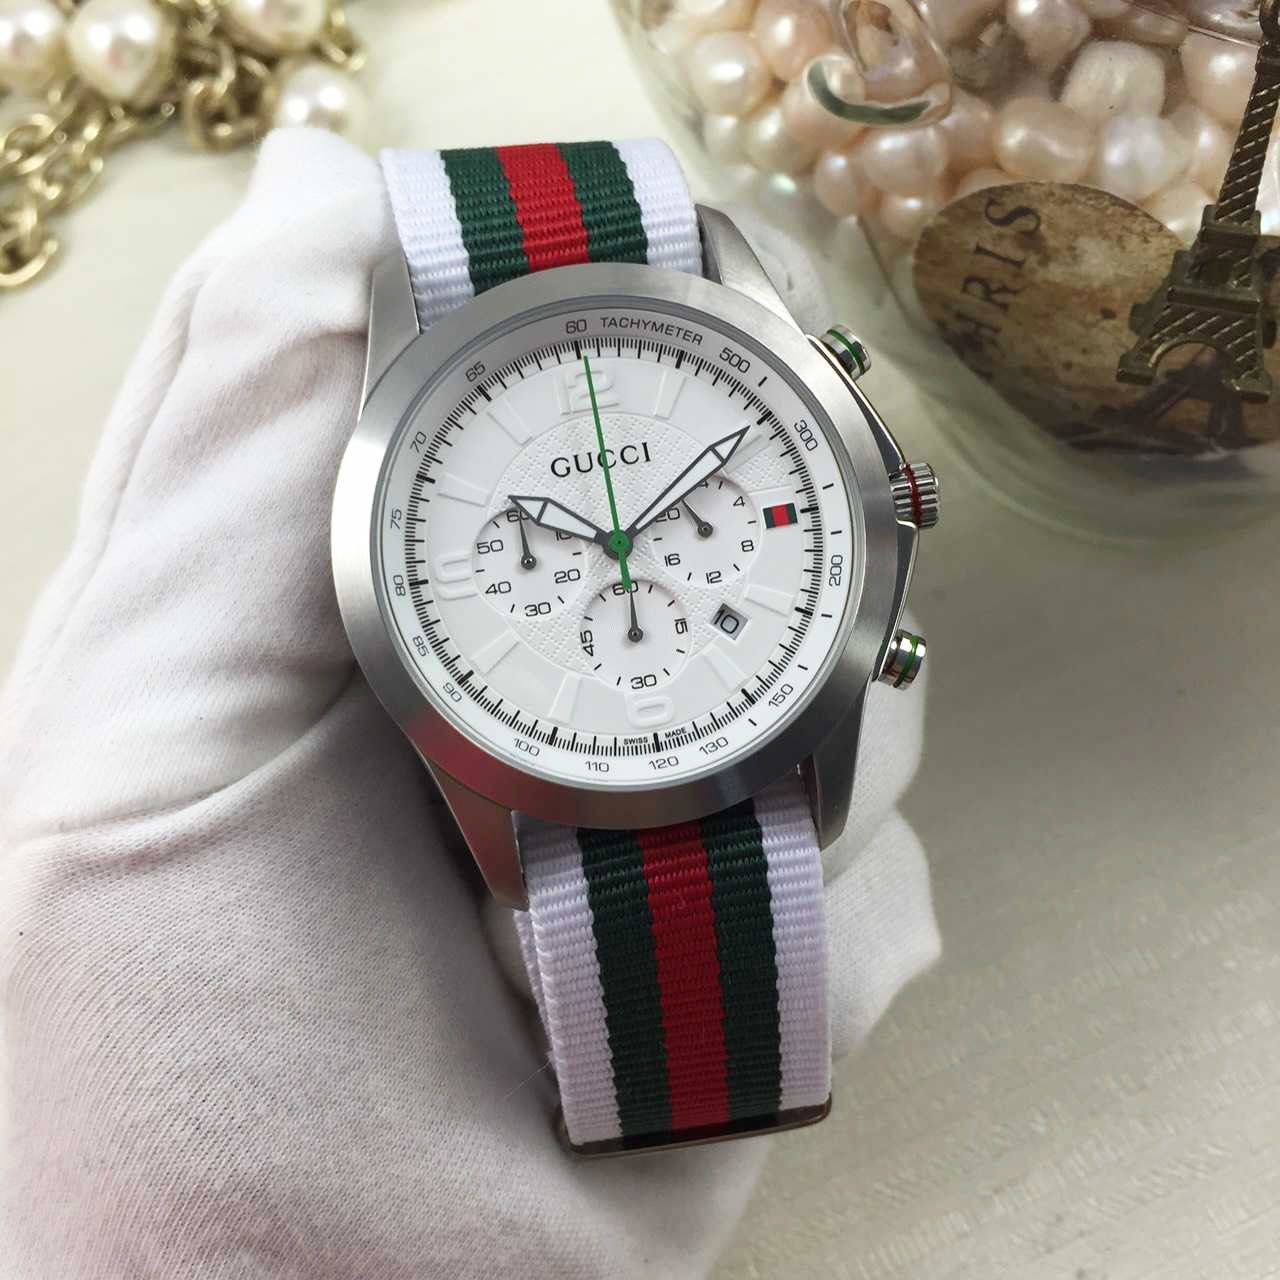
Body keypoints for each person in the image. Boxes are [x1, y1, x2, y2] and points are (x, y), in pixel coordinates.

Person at [0, 129, 939, 1278]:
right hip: (570, 748)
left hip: (727, 703)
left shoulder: (718, 316)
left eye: (663, 523)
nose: (619, 548)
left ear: (894, 500)